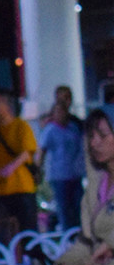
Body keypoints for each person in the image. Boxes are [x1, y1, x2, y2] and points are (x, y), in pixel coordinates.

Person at [28, 107, 114, 265]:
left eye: (103, 135)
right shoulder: (96, 187)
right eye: (91, 136)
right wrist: (65, 262)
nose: (94, 143)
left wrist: (110, 244)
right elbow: (86, 241)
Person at [0, 91, 39, 243]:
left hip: (21, 186)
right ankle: (1, 256)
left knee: (28, 230)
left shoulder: (21, 126)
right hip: (0, 189)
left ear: (7, 106)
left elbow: (27, 152)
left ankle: (32, 255)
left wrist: (10, 168)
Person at [37, 98, 85, 231]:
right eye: (57, 112)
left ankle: (80, 233)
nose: (60, 114)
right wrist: (38, 170)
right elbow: (41, 151)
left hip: (75, 174)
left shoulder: (73, 128)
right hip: (59, 176)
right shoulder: (50, 130)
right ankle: (67, 235)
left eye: (62, 111)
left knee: (79, 207)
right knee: (64, 208)